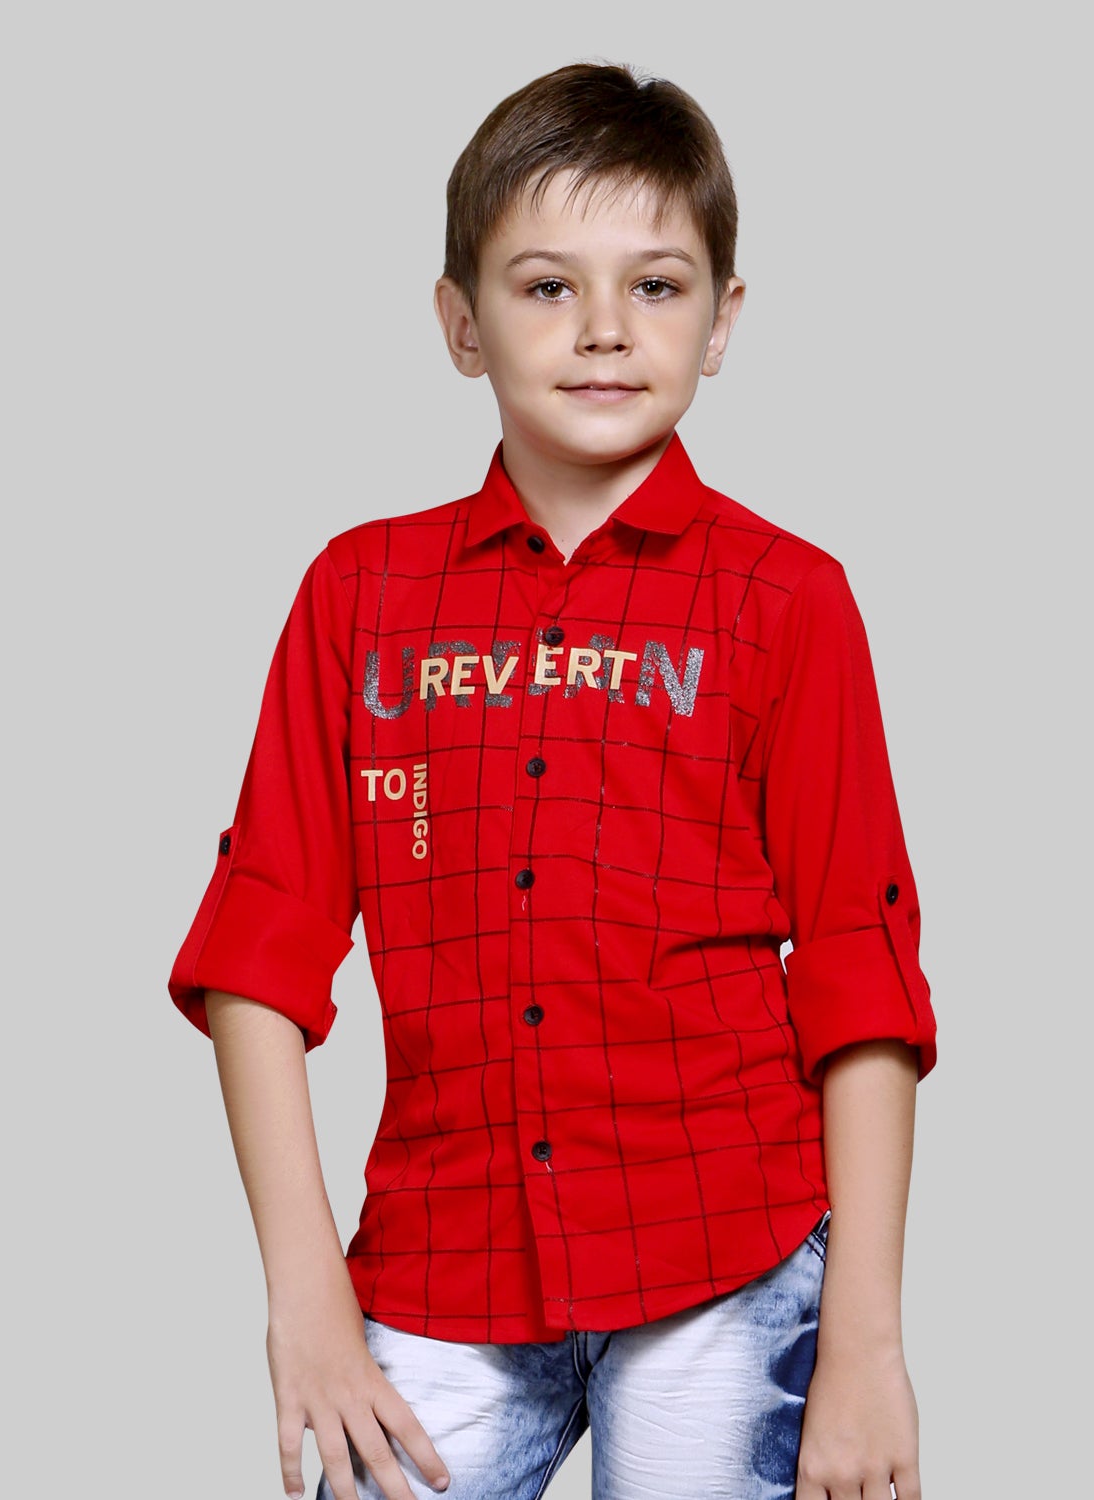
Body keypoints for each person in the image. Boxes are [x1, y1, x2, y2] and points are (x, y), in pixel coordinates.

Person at [167, 61, 939, 1500]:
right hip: (442, 1257)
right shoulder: (360, 597)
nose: (603, 330)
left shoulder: (788, 600)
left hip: (727, 1250)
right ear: (461, 321)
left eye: (656, 285)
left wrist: (866, 1344)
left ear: (723, 320)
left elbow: (861, 969)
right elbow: (258, 954)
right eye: (544, 287)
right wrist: (308, 1299)